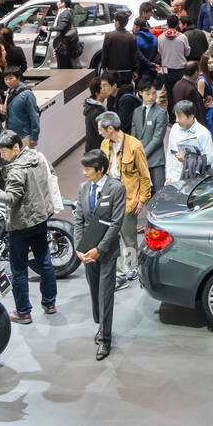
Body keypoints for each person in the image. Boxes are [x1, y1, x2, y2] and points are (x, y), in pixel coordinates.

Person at [0, 130, 58, 323]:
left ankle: (23, 312)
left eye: (4, 152)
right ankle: (49, 303)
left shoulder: (16, 170)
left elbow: (10, 199)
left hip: (21, 224)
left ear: (16, 148)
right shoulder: (38, 157)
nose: (2, 156)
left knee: (19, 270)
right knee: (45, 262)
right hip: (40, 219)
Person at [74, 149, 126, 361]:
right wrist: (79, 247)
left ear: (101, 170)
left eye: (88, 169)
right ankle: (100, 325)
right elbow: (78, 219)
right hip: (87, 251)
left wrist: (100, 249)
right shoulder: (83, 188)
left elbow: (116, 224)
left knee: (106, 295)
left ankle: (105, 338)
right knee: (95, 292)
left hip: (106, 251)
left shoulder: (117, 188)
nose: (84, 173)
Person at [98, 110, 151, 290]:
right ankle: (119, 274)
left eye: (101, 129)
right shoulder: (105, 144)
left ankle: (131, 267)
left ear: (110, 128)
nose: (100, 133)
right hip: (109, 197)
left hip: (129, 200)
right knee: (112, 237)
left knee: (129, 238)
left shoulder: (134, 146)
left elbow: (144, 175)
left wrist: (142, 199)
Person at [165, 99, 213, 188]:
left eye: (180, 117)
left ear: (191, 116)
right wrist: (169, 176)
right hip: (175, 179)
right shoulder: (174, 128)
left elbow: (209, 158)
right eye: (176, 116)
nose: (177, 120)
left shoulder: (202, 133)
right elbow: (170, 153)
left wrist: (187, 159)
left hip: (194, 180)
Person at [131, 78, 169, 195]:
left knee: (160, 193)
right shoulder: (136, 112)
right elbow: (133, 135)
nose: (152, 97)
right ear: (140, 93)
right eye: (148, 94)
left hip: (156, 160)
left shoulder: (161, 112)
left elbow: (157, 139)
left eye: (154, 93)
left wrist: (142, 154)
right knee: (143, 194)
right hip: (140, 159)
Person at [3, 68, 40, 147]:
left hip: (24, 135)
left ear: (18, 78)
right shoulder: (9, 91)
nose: (8, 81)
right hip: (11, 135)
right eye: (6, 79)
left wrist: (34, 137)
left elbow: (34, 115)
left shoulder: (27, 94)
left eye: (11, 78)